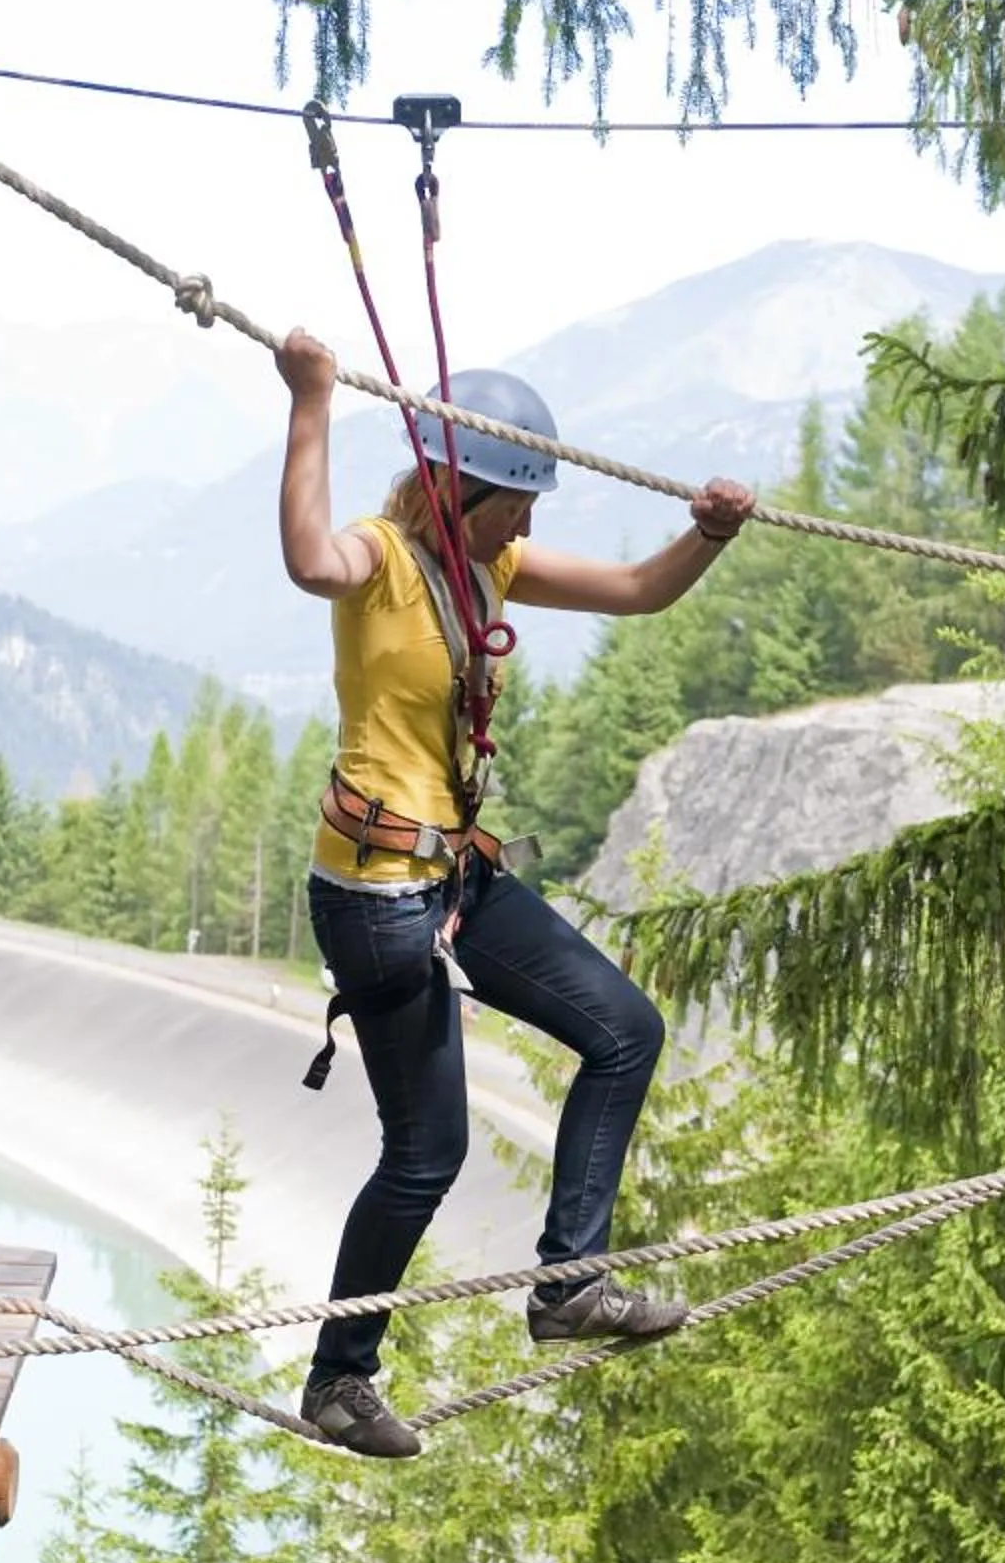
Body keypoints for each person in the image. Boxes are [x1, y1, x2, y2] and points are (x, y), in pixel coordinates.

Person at [273, 328, 755, 1458]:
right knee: (427, 1152)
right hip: (376, 894)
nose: (528, 527)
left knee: (625, 1030)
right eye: (516, 505)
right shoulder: (383, 557)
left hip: (452, 874)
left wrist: (709, 535)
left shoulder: (487, 563)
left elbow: (640, 591)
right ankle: (339, 1381)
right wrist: (308, 403)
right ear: (458, 486)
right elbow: (305, 559)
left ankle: (569, 1284)